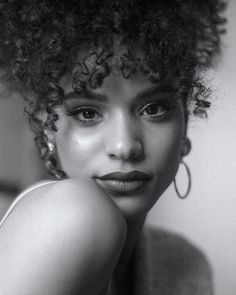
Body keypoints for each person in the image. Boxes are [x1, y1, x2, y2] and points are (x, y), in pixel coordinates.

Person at [0, 0, 226, 294]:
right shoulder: (69, 214)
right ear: (47, 126)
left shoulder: (182, 264)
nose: (125, 146)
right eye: (87, 113)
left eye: (154, 108)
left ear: (184, 121)